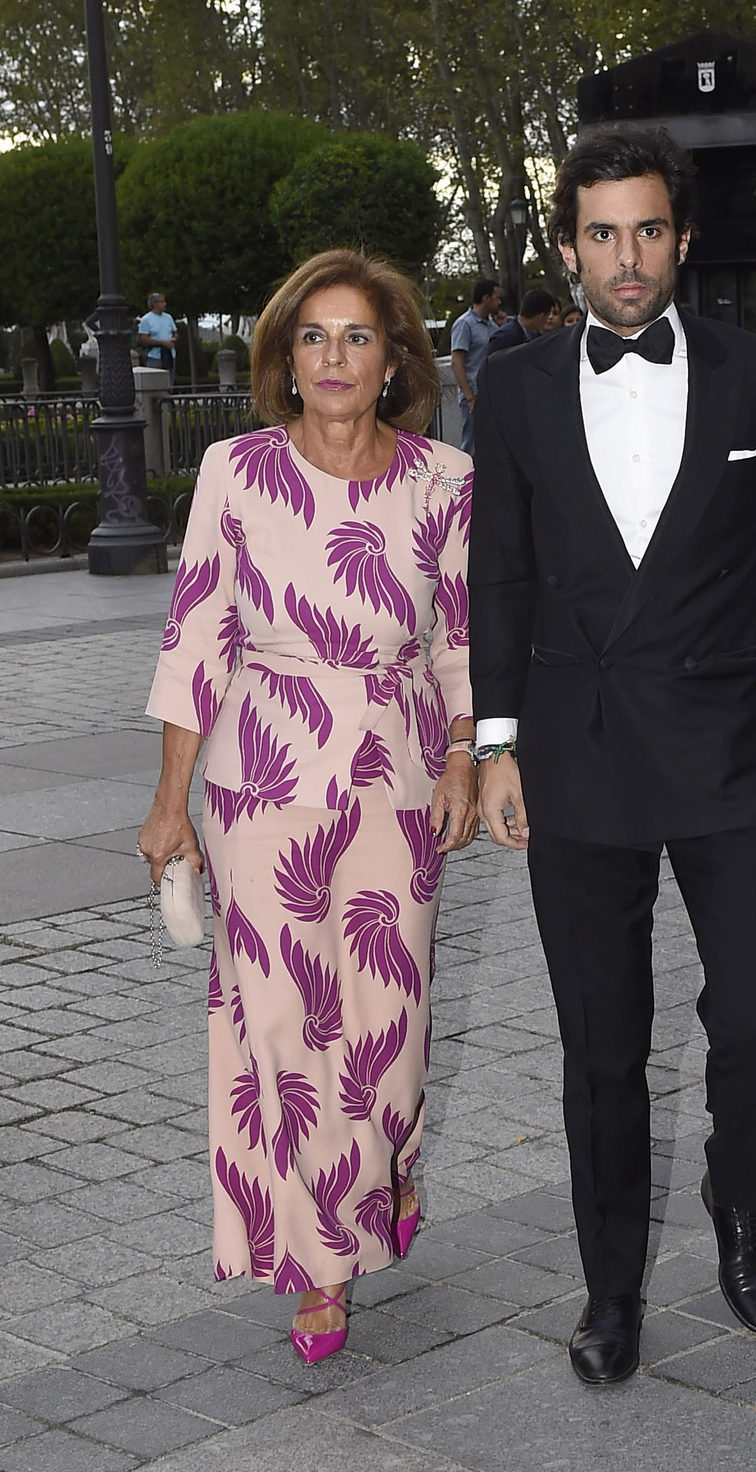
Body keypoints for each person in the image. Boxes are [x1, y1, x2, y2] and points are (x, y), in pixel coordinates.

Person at [468, 122, 756, 1386]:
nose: (626, 257)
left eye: (647, 230)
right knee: (602, 1042)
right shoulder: (515, 387)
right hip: (576, 752)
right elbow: (498, 571)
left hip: (724, 745)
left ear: (681, 237)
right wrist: (492, 739)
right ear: (566, 245)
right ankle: (609, 1287)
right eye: (600, 234)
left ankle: (737, 1193)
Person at [138, 249, 478, 1365]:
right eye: (314, 337)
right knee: (279, 1024)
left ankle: (389, 1160)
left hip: (396, 772)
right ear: (287, 357)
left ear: (392, 361)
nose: (334, 357)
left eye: (358, 337)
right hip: (259, 777)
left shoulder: (443, 481)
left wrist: (468, 757)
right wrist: (168, 800)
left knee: (385, 1018)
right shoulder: (235, 471)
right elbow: (199, 634)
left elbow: (457, 639)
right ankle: (320, 1263)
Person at [450, 279, 500, 453]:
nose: (498, 301)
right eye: (496, 297)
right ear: (486, 298)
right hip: (473, 394)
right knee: (471, 443)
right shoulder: (465, 324)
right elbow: (457, 361)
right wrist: (469, 396)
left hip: (490, 392)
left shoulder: (492, 325)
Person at [485, 289, 561, 359]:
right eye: (547, 315)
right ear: (540, 316)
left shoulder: (531, 336)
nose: (549, 319)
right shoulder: (505, 337)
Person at [138, 292, 178, 384]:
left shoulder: (168, 317)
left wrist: (173, 339)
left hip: (170, 355)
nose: (165, 304)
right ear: (155, 304)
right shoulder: (146, 319)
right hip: (154, 357)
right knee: (155, 383)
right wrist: (162, 343)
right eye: (162, 302)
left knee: (169, 382)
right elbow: (144, 338)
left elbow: (175, 332)